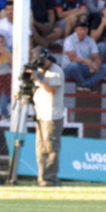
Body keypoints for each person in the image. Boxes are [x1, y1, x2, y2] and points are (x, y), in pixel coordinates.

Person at [30, 47, 65, 186]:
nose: (40, 66)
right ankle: (42, 177)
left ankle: (49, 178)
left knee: (51, 148)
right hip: (40, 114)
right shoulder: (40, 70)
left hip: (52, 115)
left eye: (41, 63)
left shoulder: (55, 71)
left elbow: (52, 90)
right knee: (40, 148)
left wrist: (38, 79)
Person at [63, 16, 106, 90]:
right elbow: (73, 59)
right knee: (74, 65)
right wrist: (86, 60)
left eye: (85, 29)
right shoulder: (69, 40)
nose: (82, 32)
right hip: (69, 69)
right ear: (76, 29)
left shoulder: (90, 40)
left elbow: (96, 57)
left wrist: (97, 65)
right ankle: (82, 83)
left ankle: (86, 84)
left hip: (85, 68)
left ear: (87, 30)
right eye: (80, 29)